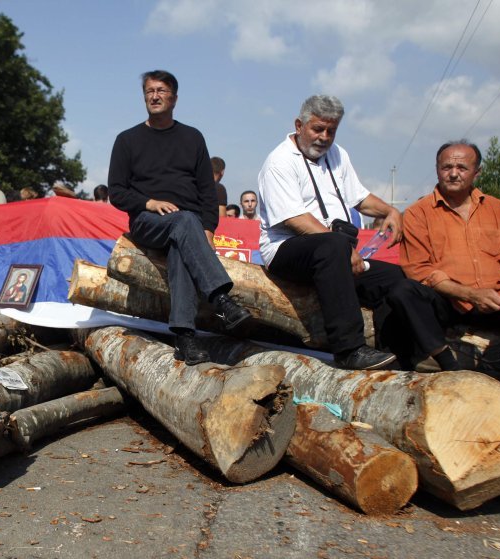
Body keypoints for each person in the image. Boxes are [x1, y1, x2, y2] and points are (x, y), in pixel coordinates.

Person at [108, 70, 251, 364]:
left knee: (181, 244)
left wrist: (208, 230)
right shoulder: (127, 140)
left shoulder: (192, 137)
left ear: (174, 98)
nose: (154, 96)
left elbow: (207, 191)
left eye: (161, 90)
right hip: (148, 222)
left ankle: (185, 338)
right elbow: (117, 192)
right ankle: (221, 300)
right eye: (149, 91)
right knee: (185, 221)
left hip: (186, 226)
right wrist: (149, 202)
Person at [257, 95, 403, 370]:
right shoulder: (279, 161)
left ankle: (390, 349)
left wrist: (389, 211)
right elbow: (295, 219)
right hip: (287, 249)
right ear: (299, 125)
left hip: (334, 250)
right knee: (333, 247)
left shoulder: (338, 154)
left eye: (331, 131)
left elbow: (359, 197)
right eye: (317, 129)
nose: (324, 137)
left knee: (394, 277)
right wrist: (342, 247)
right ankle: (349, 349)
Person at [392, 141, 500, 385]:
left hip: (497, 298)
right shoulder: (418, 213)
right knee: (403, 291)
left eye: (462, 167)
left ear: (477, 172)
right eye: (446, 167)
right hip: (449, 302)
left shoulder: (497, 208)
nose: (453, 173)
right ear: (437, 169)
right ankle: (447, 363)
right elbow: (420, 270)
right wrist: (471, 294)